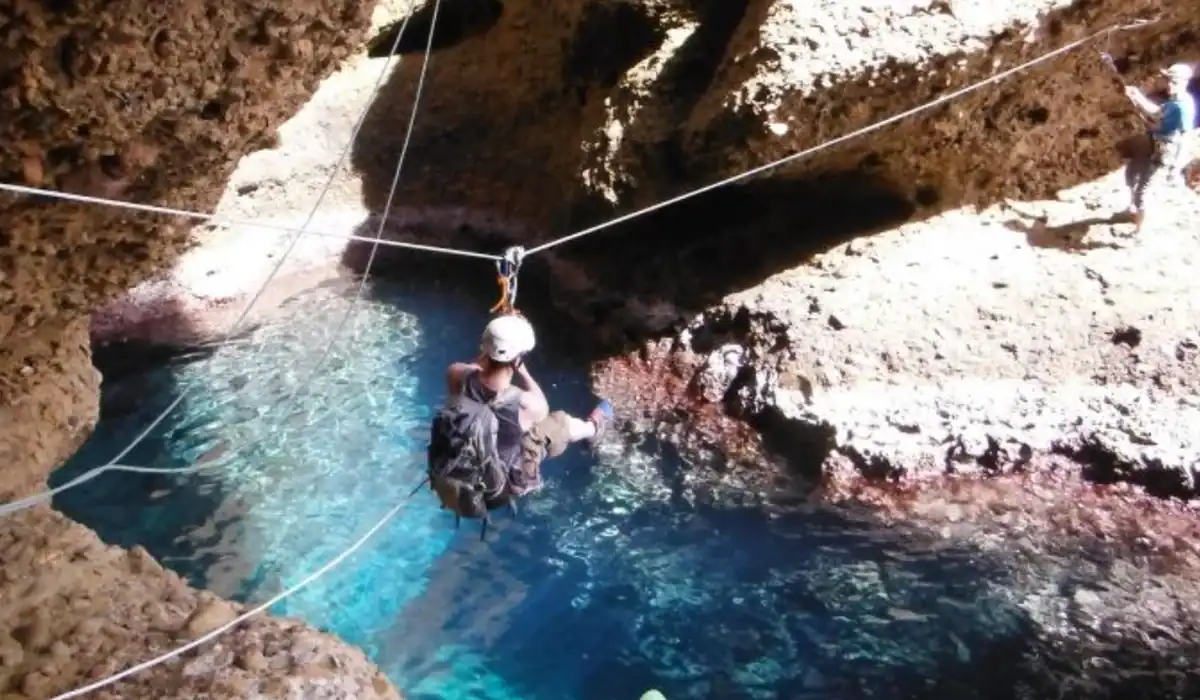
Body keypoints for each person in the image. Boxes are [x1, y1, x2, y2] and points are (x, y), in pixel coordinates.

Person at [426, 313, 613, 536]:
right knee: (558, 422)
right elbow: (542, 407)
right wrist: (522, 370)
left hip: (451, 481)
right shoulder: (524, 404)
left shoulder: (456, 374)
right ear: (518, 359)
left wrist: (493, 345)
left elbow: (474, 368)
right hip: (493, 493)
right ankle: (593, 429)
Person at [1122, 62, 1197, 233]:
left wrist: (1176, 166)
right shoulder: (1176, 101)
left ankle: (1139, 230)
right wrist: (1136, 96)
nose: (1170, 85)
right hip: (1154, 144)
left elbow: (1183, 136)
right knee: (1132, 173)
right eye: (1168, 80)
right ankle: (1134, 210)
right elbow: (1157, 112)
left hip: (1165, 153)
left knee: (1143, 193)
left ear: (1184, 83)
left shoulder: (1182, 106)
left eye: (1174, 82)